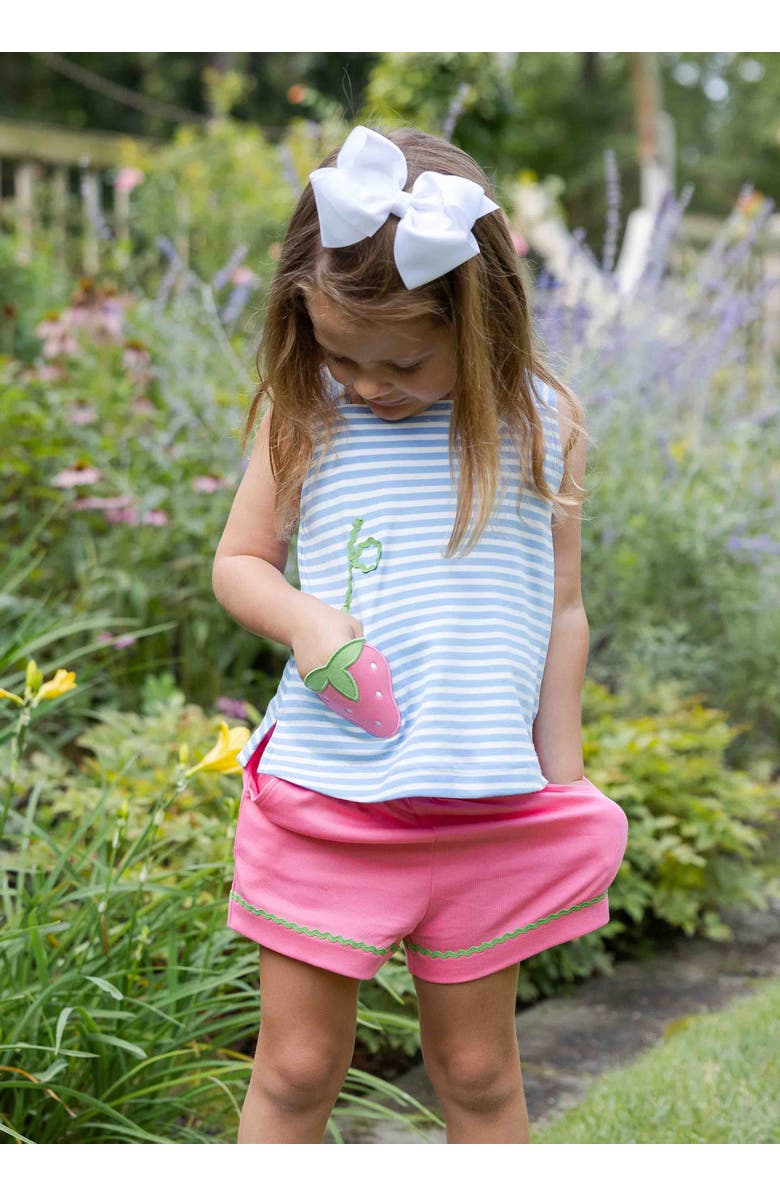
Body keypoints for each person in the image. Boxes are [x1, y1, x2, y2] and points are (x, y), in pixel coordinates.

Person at [212, 124, 629, 1145]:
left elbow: (561, 606)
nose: (368, 382)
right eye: (339, 351)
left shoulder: (541, 423)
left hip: (484, 801)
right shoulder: (302, 415)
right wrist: (306, 618)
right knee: (299, 1064)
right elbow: (240, 563)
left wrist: (559, 771)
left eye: (403, 358)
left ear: (479, 321)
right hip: (329, 799)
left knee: (481, 1070)